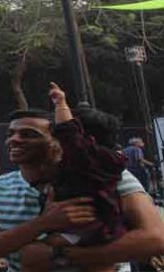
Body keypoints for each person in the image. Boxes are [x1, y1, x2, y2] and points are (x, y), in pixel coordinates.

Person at [0, 106, 164, 271]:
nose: (14, 139)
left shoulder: (106, 179)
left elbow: (155, 238)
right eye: (11, 133)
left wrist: (60, 255)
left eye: (29, 134)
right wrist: (43, 224)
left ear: (58, 142)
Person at [20, 83, 127, 271]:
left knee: (33, 255)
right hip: (103, 227)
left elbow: (68, 132)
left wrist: (61, 103)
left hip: (87, 227)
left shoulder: (83, 158)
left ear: (86, 139)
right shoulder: (110, 162)